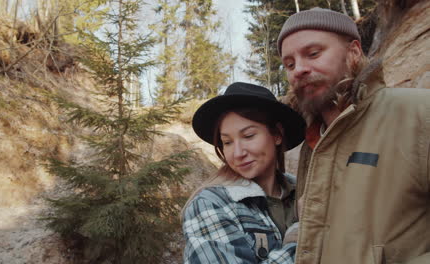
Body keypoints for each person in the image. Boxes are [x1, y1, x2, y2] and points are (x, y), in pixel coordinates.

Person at [277, 7, 430, 264]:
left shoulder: (418, 114)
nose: (299, 70)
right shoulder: (311, 146)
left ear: (354, 52)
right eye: (289, 64)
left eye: (313, 53)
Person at [182, 82, 306, 263]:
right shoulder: (211, 204)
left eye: (248, 136)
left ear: (277, 134)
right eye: (227, 142)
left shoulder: (305, 191)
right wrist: (301, 234)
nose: (238, 153)